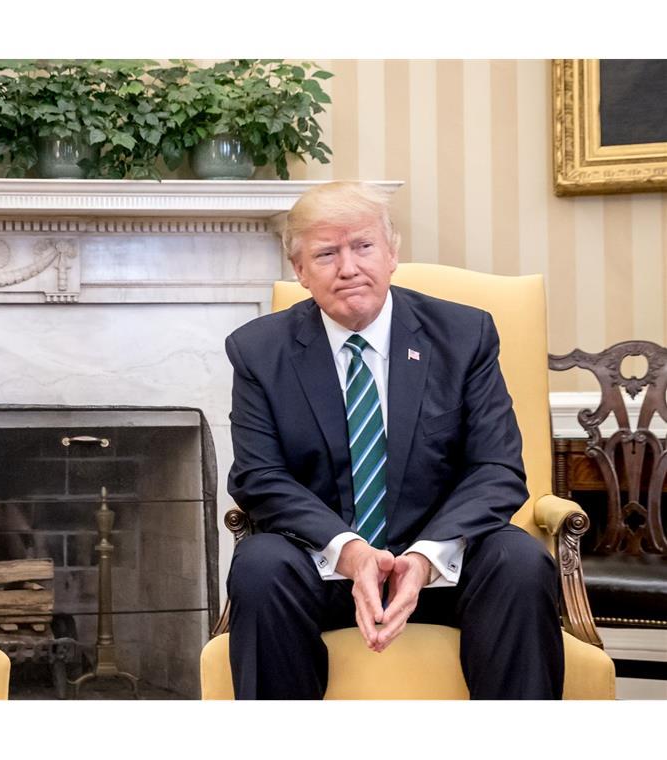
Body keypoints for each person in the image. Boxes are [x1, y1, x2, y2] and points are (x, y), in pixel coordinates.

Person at [224, 181, 563, 699]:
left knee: (518, 562)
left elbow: (497, 470)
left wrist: (425, 558)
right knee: (259, 566)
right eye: (326, 254)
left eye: (363, 246)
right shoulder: (258, 350)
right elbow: (258, 476)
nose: (349, 267)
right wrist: (353, 553)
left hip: (443, 566)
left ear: (392, 253)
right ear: (300, 271)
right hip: (325, 565)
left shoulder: (463, 335)